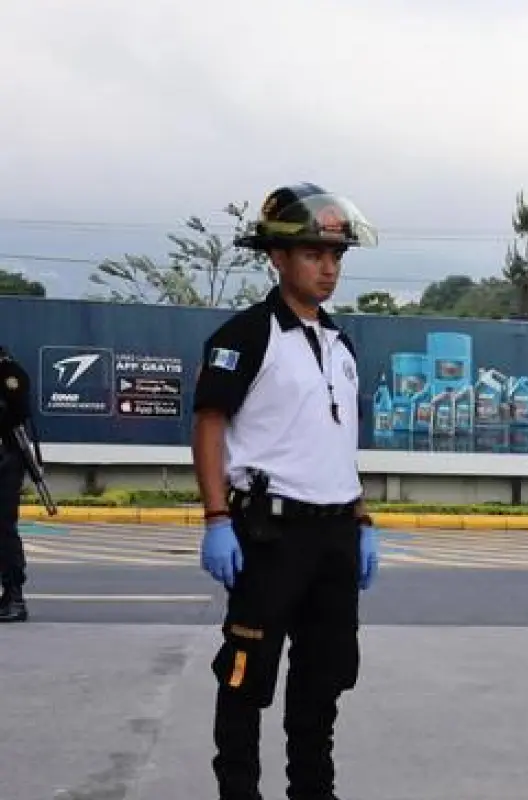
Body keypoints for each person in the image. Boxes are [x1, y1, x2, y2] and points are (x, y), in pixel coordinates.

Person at [190, 182, 382, 800]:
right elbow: (210, 423)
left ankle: (313, 792)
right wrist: (216, 517)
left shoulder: (339, 342)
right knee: (246, 679)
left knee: (322, 681)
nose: (328, 268)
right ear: (276, 257)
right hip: (269, 535)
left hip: (333, 536)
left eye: (336, 257)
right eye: (312, 255)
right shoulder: (245, 336)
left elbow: (334, 444)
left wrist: (361, 520)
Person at [0, 345, 32, 623]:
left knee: (2, 526)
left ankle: (13, 596)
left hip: (5, 460)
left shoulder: (9, 372)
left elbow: (20, 412)